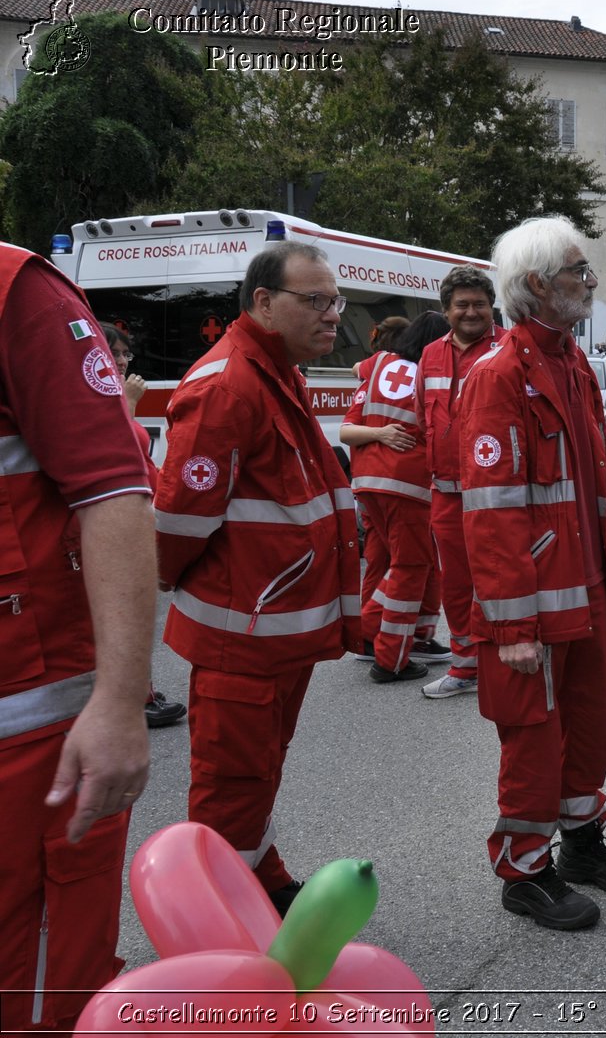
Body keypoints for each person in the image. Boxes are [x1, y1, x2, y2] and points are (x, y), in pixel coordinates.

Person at [457, 215, 606, 931]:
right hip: (531, 608)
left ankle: (580, 844)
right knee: (533, 741)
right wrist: (511, 623)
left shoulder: (570, 362)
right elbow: (492, 511)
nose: (590, 281)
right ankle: (524, 870)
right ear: (539, 285)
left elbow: (587, 496)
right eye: (579, 270)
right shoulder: (499, 375)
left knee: (587, 729)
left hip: (579, 599)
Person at [155, 241, 362, 915]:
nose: (332, 314)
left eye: (336, 301)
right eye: (316, 300)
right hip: (242, 637)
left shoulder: (277, 369)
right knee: (231, 783)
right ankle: (214, 925)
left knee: (255, 774)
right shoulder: (228, 384)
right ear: (263, 303)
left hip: (273, 633)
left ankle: (259, 876)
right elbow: (178, 526)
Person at [0, 242, 155, 1034]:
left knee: (34, 995)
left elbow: (114, 492)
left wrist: (121, 700)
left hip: (28, 746)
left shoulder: (16, 294)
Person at [341, 311, 453, 683]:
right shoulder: (432, 373)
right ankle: (384, 649)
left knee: (386, 561)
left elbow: (357, 374)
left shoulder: (380, 363)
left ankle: (402, 636)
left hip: (368, 482)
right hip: (408, 484)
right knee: (410, 567)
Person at [417, 265, 505, 699]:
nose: (471, 312)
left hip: (497, 497)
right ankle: (465, 667)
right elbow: (421, 418)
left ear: (493, 308)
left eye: (479, 304)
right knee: (456, 585)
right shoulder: (430, 354)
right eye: (462, 305)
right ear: (446, 310)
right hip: (446, 495)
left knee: (500, 581)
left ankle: (502, 661)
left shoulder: (509, 349)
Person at [104, 323, 186, 729]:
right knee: (126, 612)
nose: (121, 362)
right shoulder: (104, 397)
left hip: (136, 514)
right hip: (118, 523)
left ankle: (142, 693)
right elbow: (118, 446)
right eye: (113, 354)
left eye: (124, 355)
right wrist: (128, 401)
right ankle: (138, 698)